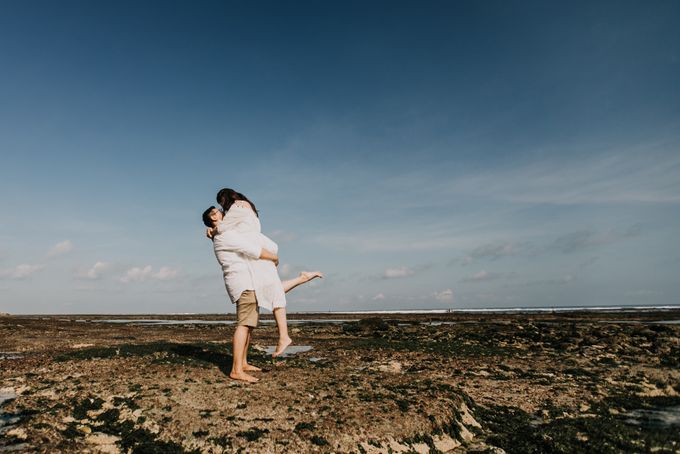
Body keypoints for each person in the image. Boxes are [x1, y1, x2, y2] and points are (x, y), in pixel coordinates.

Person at [202, 203, 321, 382]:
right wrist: (274, 257)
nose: (222, 212)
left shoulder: (221, 234)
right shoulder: (224, 235)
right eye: (218, 211)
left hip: (247, 280)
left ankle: (242, 363)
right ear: (213, 217)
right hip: (242, 282)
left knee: (249, 324)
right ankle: (236, 370)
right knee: (244, 325)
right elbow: (252, 250)